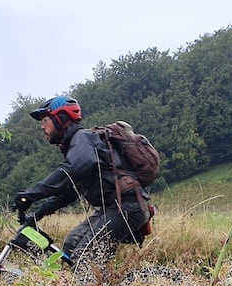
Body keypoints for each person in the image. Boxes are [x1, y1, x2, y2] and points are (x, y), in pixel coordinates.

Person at [11, 96, 151, 272]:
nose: (42, 126)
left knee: (84, 258)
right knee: (72, 244)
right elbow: (70, 191)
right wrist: (38, 214)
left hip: (127, 208)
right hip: (113, 208)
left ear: (60, 119)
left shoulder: (83, 138)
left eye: (45, 120)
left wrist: (32, 193)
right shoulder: (77, 146)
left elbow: (73, 168)